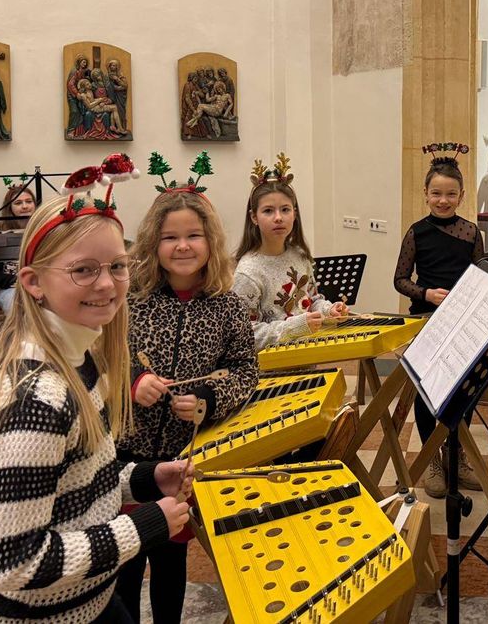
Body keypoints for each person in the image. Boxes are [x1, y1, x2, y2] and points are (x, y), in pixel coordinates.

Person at [0, 164, 191, 624]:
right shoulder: (36, 398)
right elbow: (13, 564)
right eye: (83, 270)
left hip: (92, 601)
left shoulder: (85, 359)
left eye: (117, 266)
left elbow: (80, 482)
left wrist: (145, 478)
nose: (106, 284)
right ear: (33, 282)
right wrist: (143, 525)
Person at [115, 159, 258, 623]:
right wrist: (133, 382)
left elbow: (244, 371)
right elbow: (105, 359)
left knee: (172, 561)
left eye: (193, 236)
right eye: (170, 237)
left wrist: (207, 403)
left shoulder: (228, 305)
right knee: (127, 563)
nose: (182, 246)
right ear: (153, 243)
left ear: (210, 241)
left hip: (182, 460)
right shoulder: (129, 301)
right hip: (127, 456)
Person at [394, 143, 484, 498]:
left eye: (450, 194)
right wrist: (426, 293)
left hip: (462, 322)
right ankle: (432, 459)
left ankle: (457, 456)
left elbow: (483, 276)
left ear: (461, 196)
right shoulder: (417, 232)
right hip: (427, 319)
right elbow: (400, 280)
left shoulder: (471, 232)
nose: (443, 200)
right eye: (436, 194)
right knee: (428, 392)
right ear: (426, 195)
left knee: (465, 392)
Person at [233, 155, 348, 348]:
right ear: (254, 217)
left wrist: (329, 310)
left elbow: (311, 300)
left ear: (294, 213)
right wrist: (295, 327)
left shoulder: (299, 255)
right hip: (271, 369)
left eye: (285, 210)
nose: (278, 218)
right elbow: (245, 333)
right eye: (268, 211)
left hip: (307, 353)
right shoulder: (248, 273)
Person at [0, 182, 36, 312]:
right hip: (12, 288)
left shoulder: (43, 228)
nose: (25, 206)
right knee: (18, 307)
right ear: (10, 207)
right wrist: (13, 280)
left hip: (42, 284)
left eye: (28, 201)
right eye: (18, 203)